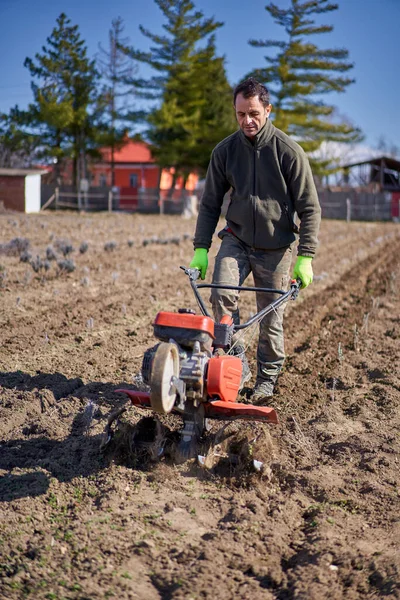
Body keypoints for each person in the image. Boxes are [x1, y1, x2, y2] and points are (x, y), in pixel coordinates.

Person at [189, 77, 321, 404]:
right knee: (221, 294)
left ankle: (267, 380)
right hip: (237, 239)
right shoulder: (225, 152)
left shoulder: (288, 152)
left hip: (276, 247)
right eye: (240, 114)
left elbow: (310, 207)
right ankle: (235, 362)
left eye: (253, 114)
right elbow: (209, 204)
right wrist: (201, 249)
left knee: (270, 318)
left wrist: (306, 256)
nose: (247, 121)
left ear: (267, 110)